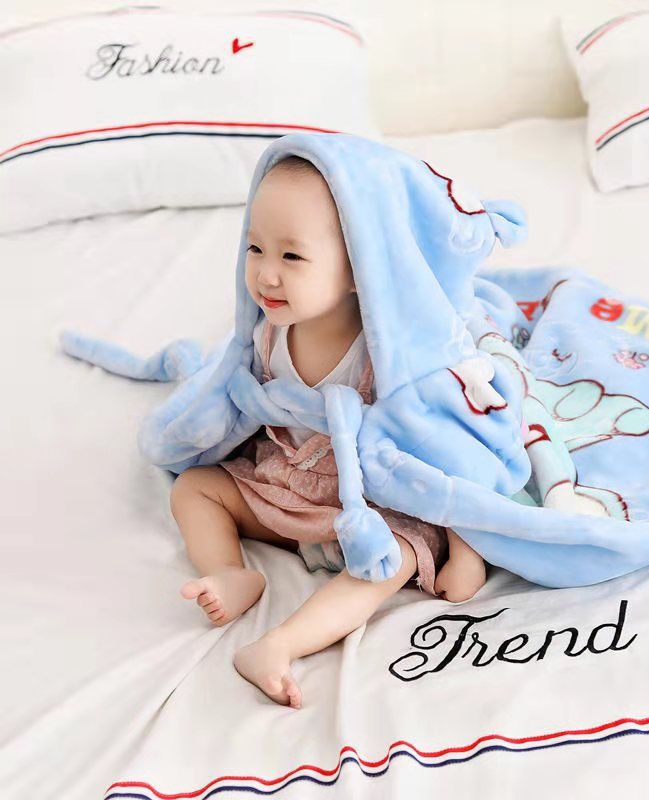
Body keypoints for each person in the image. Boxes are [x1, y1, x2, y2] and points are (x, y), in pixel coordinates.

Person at [169, 155, 489, 710]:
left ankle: (279, 645)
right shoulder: (268, 333)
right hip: (287, 487)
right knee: (194, 487)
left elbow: (448, 449)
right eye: (255, 248)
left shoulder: (391, 357)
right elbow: (237, 404)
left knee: (396, 559)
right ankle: (230, 573)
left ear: (360, 267)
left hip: (371, 510)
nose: (267, 274)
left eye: (292, 256)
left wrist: (467, 551)